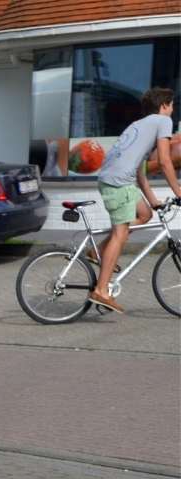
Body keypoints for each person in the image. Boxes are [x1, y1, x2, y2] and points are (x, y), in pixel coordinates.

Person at [87, 87, 180, 314]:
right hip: (119, 184)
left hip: (115, 180)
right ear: (165, 105)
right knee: (121, 234)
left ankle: (98, 250)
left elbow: (138, 170)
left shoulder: (138, 125)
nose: (174, 110)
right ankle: (101, 290)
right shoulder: (162, 121)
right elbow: (166, 162)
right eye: (173, 105)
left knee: (145, 214)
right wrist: (179, 193)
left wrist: (153, 200)